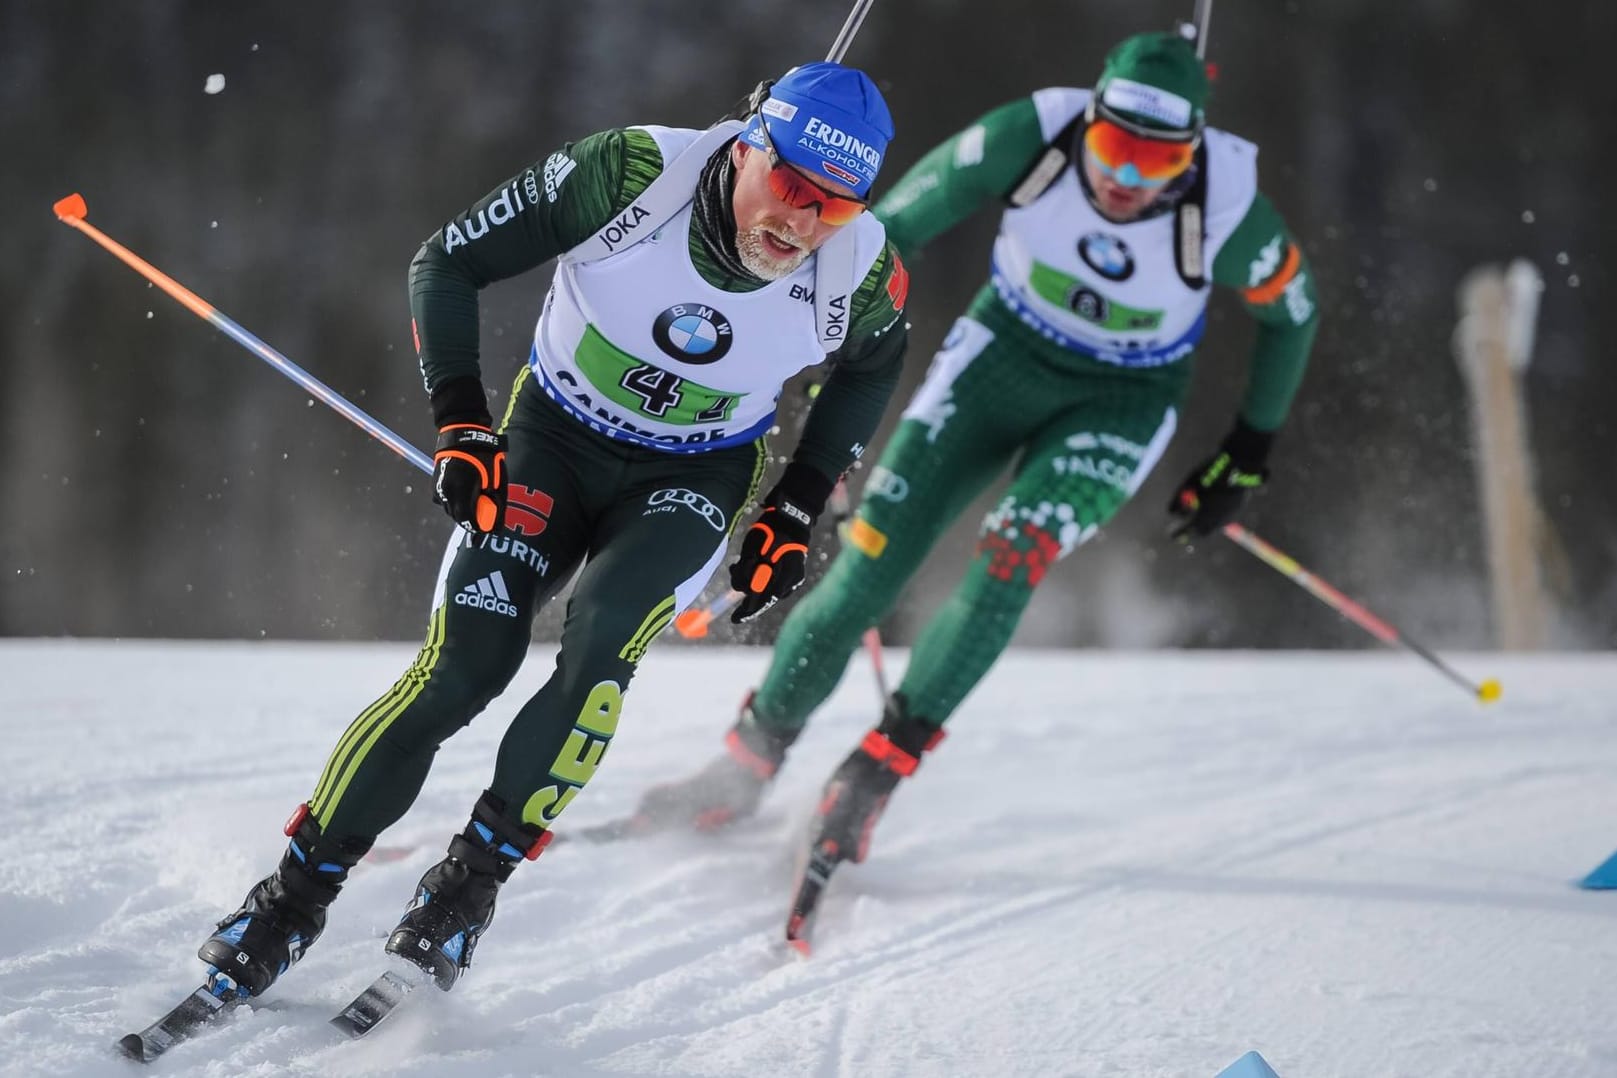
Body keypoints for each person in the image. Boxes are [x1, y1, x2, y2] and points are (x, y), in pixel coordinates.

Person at [193, 61, 910, 1000]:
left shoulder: (860, 271)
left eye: (833, 208)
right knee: (464, 668)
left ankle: (465, 890)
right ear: (747, 146)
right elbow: (446, 261)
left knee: (606, 633)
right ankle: (289, 902)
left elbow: (870, 368)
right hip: (552, 441)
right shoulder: (626, 178)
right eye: (787, 187)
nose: (800, 224)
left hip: (692, 475)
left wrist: (794, 502)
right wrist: (460, 422)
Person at [636, 32, 1321, 888]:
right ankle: (747, 762)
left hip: (1125, 395)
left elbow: (1291, 314)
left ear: (1191, 153)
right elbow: (895, 233)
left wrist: (1246, 451)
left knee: (1015, 548)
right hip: (1000, 355)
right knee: (870, 564)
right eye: (1112, 149)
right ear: (1089, 123)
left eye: (1156, 162)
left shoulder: (1227, 206)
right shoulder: (1032, 134)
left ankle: (875, 771)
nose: (1125, 179)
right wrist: (826, 348)